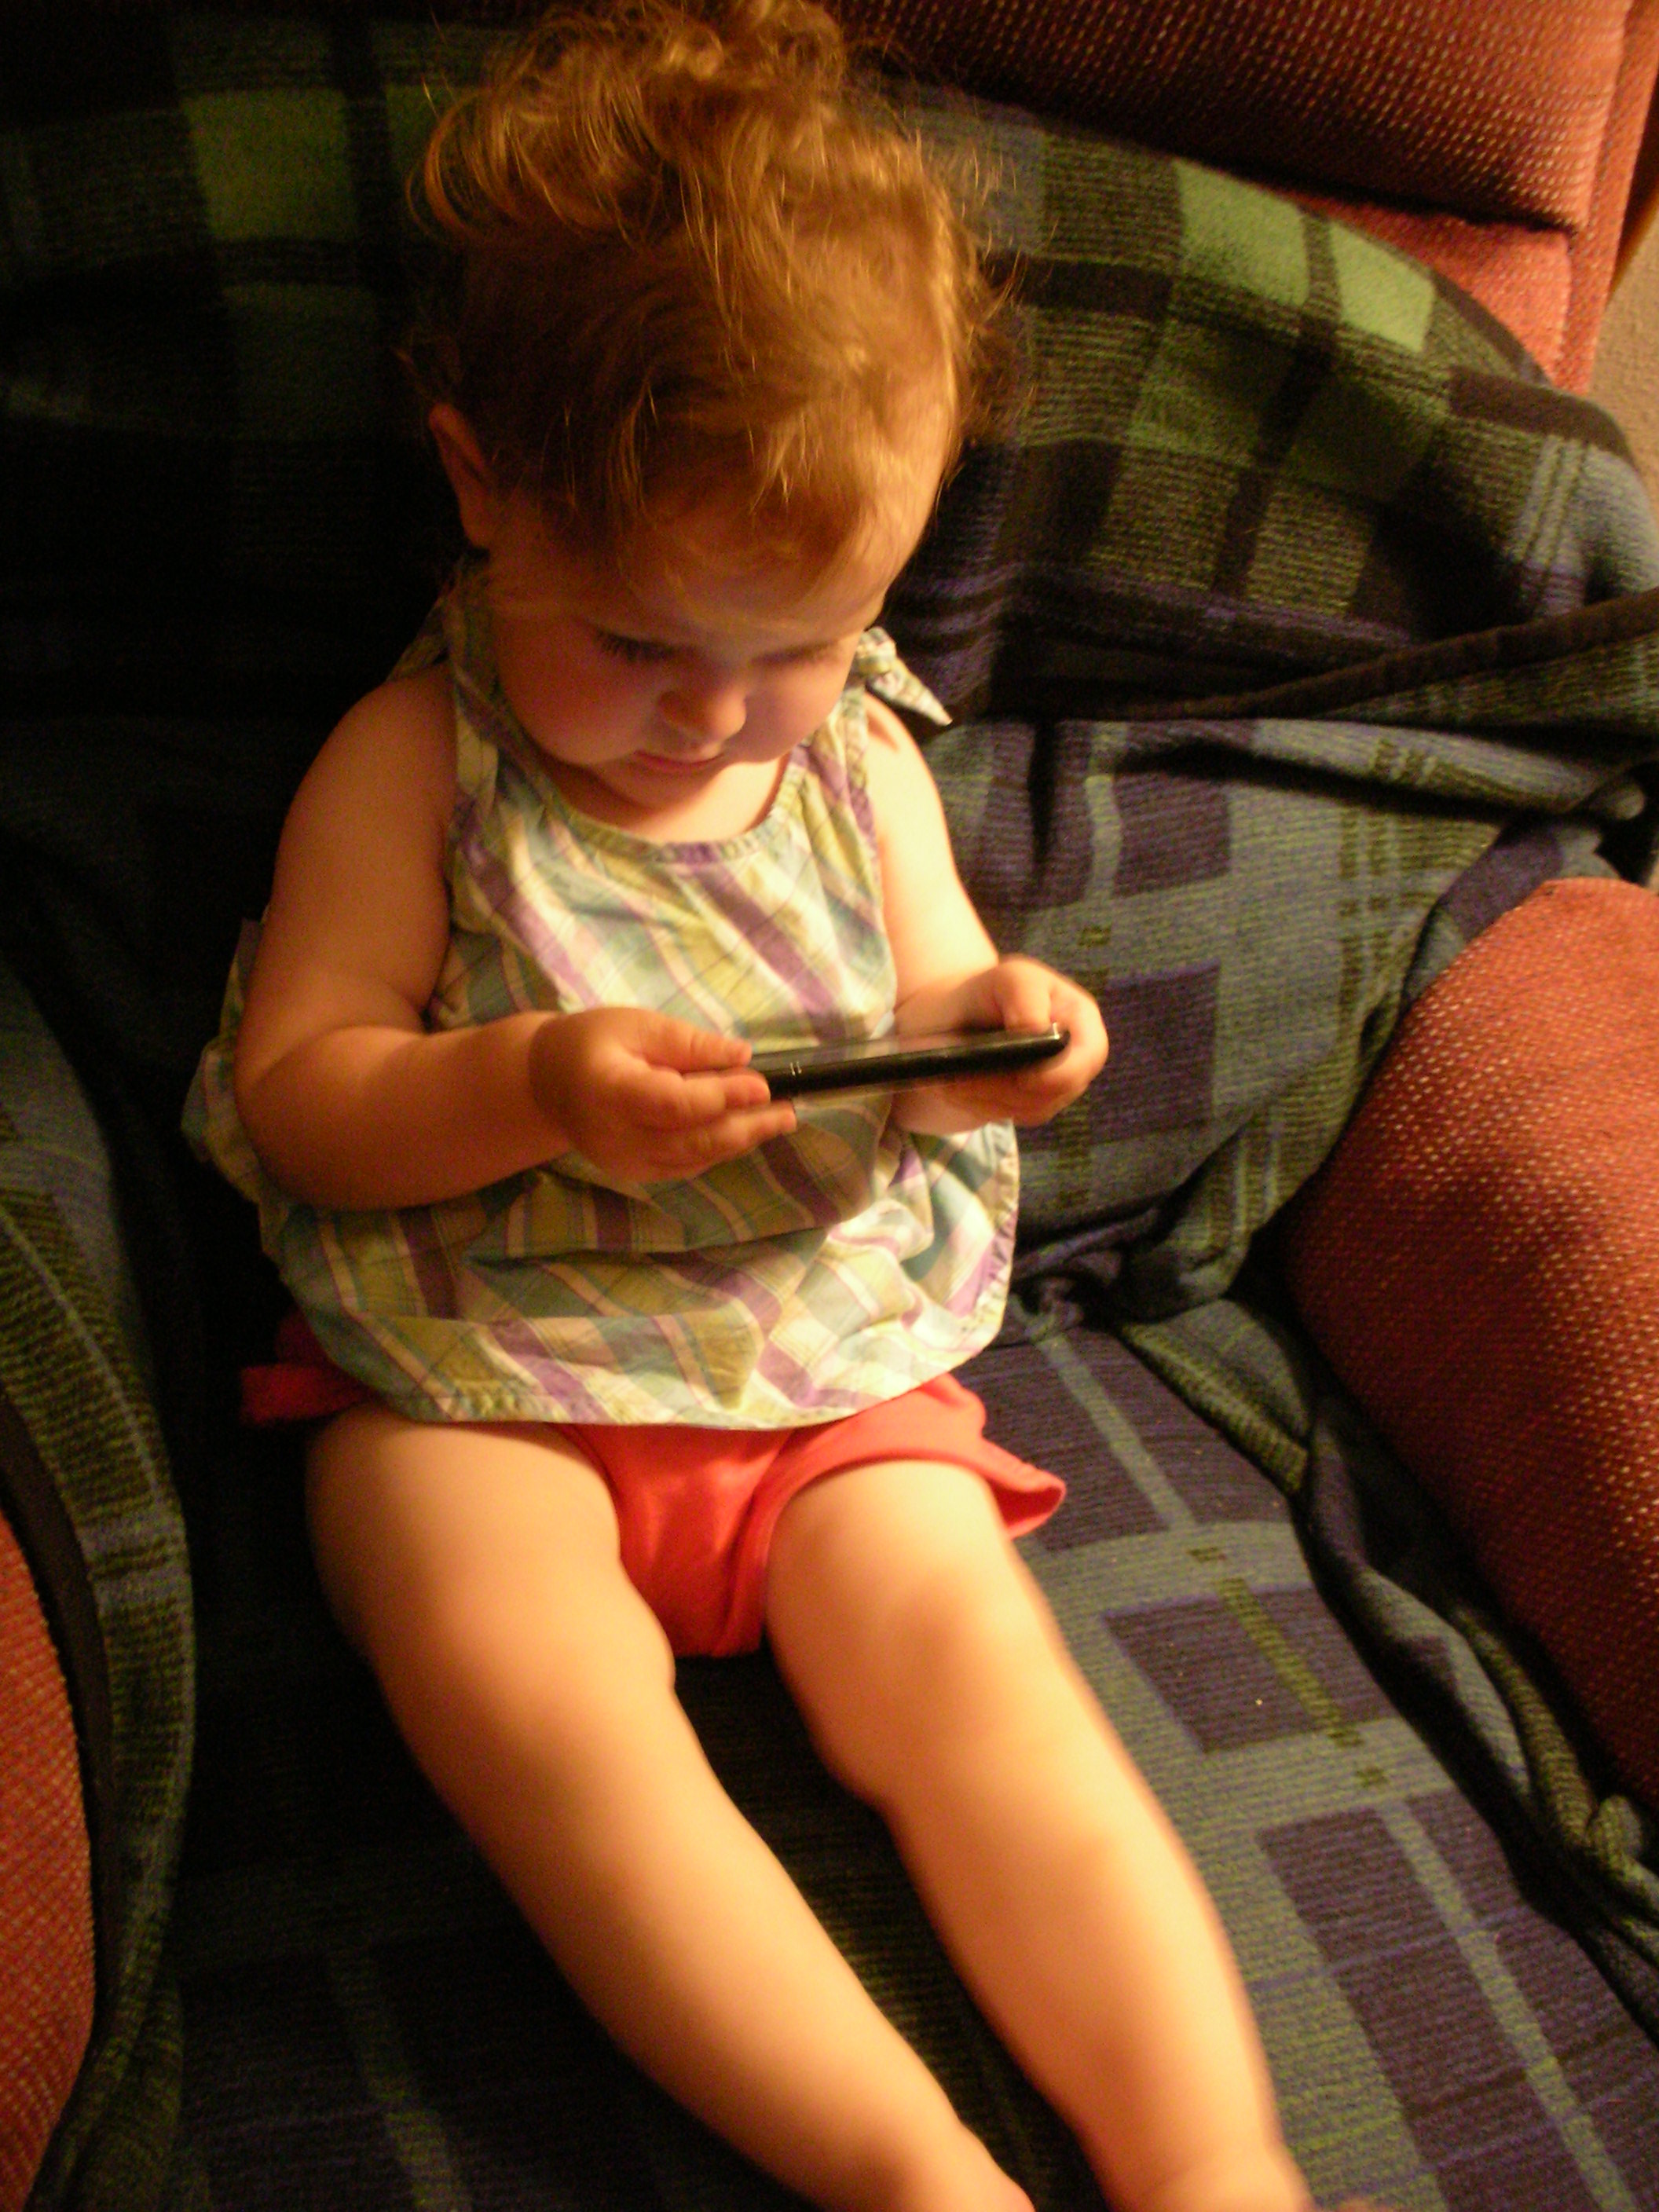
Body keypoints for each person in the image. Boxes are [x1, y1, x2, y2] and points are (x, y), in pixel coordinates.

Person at [188, 5, 1364, 2208]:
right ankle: (908, 2170)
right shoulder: (419, 762)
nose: (717, 720)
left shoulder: (861, 761)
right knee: (522, 1684)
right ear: (480, 483)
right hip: (483, 1385)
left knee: (987, 1694)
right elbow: (305, 1101)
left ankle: (1218, 2162)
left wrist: (1002, 1031)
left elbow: (933, 996)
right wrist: (531, 1084)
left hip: (824, 1376)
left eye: (805, 641)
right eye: (640, 641)